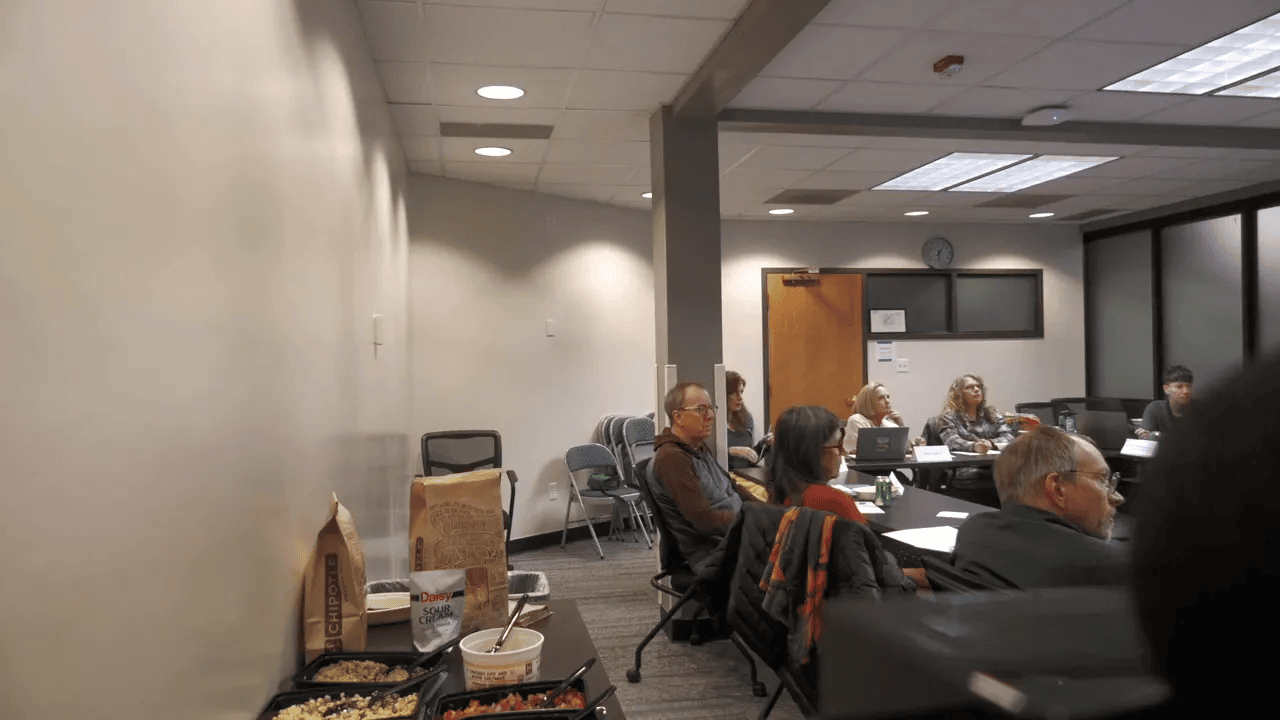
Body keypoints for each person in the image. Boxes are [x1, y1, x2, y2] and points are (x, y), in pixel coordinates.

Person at [1130, 354, 1279, 714]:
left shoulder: (1206, 426)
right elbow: (1144, 434)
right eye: (1177, 386)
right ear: (1166, 389)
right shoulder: (1186, 423)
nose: (1183, 392)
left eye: (1187, 386)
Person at [949, 425, 1129, 589]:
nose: (1117, 497)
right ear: (1058, 489)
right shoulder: (1113, 566)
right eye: (1103, 480)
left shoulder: (972, 533)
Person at [652, 381, 760, 570]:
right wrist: (751, 520)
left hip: (736, 538)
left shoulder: (697, 447)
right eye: (701, 410)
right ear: (678, 417)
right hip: (716, 553)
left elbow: (731, 487)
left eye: (711, 409)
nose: (710, 416)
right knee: (799, 555)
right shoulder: (672, 458)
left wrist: (766, 511)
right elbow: (704, 519)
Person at [767, 405, 865, 523]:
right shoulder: (835, 501)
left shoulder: (778, 494)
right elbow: (866, 539)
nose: (842, 452)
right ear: (814, 452)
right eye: (838, 445)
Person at [936, 373, 1015, 506]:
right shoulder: (949, 417)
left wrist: (990, 443)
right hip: (967, 474)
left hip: (996, 471)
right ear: (959, 393)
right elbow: (951, 441)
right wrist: (974, 446)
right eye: (970, 387)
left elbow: (1009, 437)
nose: (976, 390)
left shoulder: (993, 414)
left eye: (978, 386)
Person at [843, 382, 923, 454]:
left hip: (885, 469)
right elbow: (868, 451)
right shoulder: (856, 420)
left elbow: (907, 450)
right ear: (869, 402)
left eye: (888, 397)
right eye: (881, 398)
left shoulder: (889, 425)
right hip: (861, 470)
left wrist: (901, 425)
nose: (887, 401)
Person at [725, 370, 770, 470]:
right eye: (735, 393)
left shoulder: (747, 419)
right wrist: (730, 451)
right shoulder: (713, 422)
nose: (740, 398)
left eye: (741, 392)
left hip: (743, 476)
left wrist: (763, 445)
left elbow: (754, 459)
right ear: (724, 394)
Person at [1137, 365, 1193, 438]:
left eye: (1189, 386)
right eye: (1179, 387)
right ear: (1166, 389)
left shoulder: (1200, 410)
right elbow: (1146, 437)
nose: (1186, 391)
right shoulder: (1155, 408)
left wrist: (1158, 435)